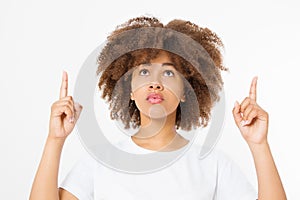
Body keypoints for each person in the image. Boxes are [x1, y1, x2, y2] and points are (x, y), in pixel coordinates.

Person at [29, 16, 286, 200]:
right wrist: (55, 140)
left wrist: (259, 144)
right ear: (129, 89)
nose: (155, 83)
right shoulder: (100, 162)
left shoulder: (212, 164)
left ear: (187, 91)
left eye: (168, 73)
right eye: (143, 71)